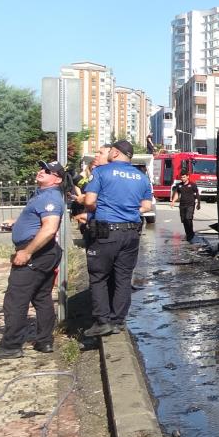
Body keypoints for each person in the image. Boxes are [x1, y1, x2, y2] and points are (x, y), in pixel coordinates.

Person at [0, 161, 66, 360]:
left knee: (15, 299)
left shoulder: (51, 197)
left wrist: (27, 252)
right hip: (42, 252)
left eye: (47, 171)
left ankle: (11, 345)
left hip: (37, 253)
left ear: (57, 179)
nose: (41, 172)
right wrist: (16, 224)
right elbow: (37, 221)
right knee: (41, 297)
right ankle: (44, 341)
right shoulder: (41, 195)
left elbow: (49, 228)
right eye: (41, 168)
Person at [82, 140, 152, 337]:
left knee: (99, 276)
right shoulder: (141, 177)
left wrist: (108, 209)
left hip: (107, 231)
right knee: (123, 278)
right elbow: (146, 206)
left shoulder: (102, 172)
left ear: (115, 152)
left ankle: (102, 321)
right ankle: (119, 321)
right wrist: (127, 211)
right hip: (131, 232)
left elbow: (89, 201)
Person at [170, 171, 201, 242]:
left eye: (184, 177)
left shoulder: (192, 185)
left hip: (190, 205)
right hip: (182, 205)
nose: (182, 178)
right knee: (184, 220)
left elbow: (197, 194)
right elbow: (177, 194)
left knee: (188, 218)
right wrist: (173, 201)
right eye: (181, 177)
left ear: (187, 176)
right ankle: (188, 234)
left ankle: (191, 234)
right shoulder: (179, 185)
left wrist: (198, 203)